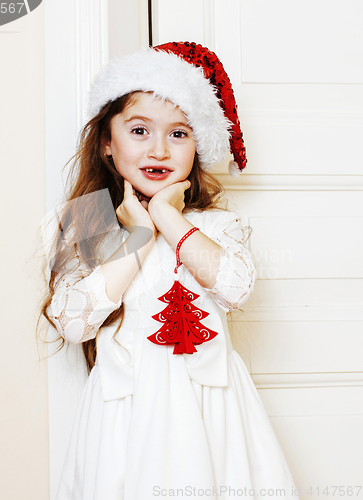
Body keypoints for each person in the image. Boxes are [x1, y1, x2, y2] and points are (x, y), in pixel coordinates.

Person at [42, 42, 298, 500]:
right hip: (127, 416)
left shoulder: (217, 225)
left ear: (198, 144)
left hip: (212, 408)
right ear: (106, 141)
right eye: (139, 130)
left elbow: (235, 286)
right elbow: (71, 320)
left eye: (179, 134)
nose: (158, 149)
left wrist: (168, 218)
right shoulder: (85, 222)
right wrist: (139, 237)